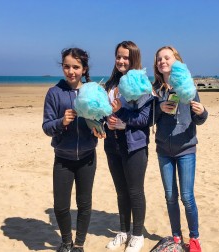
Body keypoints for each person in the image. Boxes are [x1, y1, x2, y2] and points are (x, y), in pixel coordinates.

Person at [42, 48, 105, 252]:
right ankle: (66, 242)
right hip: (63, 158)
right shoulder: (54, 93)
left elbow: (100, 119)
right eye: (67, 66)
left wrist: (99, 129)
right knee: (60, 206)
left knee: (84, 204)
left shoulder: (92, 91)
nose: (71, 71)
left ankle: (79, 244)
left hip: (87, 158)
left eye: (76, 67)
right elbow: (46, 127)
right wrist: (62, 121)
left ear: (83, 69)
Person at [151, 46, 208, 252]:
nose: (162, 61)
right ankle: (176, 235)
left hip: (186, 148)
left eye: (167, 57)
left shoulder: (187, 84)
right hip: (163, 150)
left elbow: (199, 118)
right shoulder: (155, 89)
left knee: (187, 196)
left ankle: (194, 238)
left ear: (177, 60)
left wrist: (202, 112)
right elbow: (148, 119)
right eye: (159, 59)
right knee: (169, 195)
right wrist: (159, 108)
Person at [104, 41, 153, 252]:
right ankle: (123, 232)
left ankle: (138, 235)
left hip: (134, 145)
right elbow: (105, 111)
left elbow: (145, 119)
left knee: (135, 191)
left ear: (134, 59)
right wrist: (102, 122)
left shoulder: (142, 83)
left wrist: (121, 117)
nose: (121, 61)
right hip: (111, 143)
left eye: (126, 57)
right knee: (121, 191)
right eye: (118, 56)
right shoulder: (110, 83)